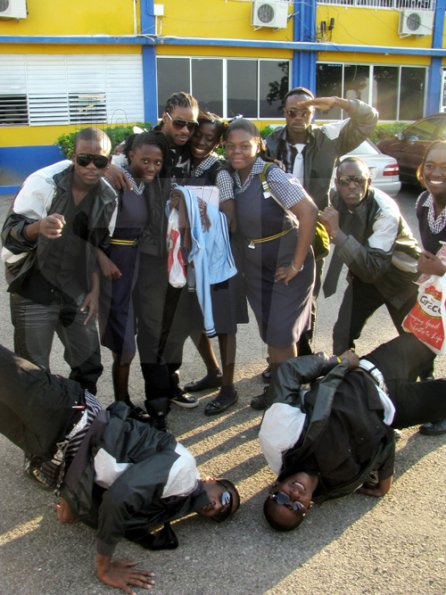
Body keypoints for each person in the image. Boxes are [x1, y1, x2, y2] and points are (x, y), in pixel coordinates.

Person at [0, 343, 240, 592]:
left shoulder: (164, 507)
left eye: (222, 514)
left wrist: (71, 499)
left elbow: (100, 482)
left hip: (52, 441)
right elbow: (119, 497)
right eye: (225, 497)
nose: (219, 507)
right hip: (68, 411)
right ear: (213, 479)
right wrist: (105, 565)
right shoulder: (183, 471)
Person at [259, 332, 442, 532]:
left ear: (273, 488)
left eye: (282, 498)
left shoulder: (281, 441)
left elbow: (288, 372)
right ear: (308, 507)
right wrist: (385, 477)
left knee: (434, 327)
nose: (293, 496)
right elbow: (382, 440)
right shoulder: (341, 484)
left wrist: (338, 361)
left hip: (373, 372)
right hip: (397, 410)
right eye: (295, 507)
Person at [1, 127, 118, 395]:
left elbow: (97, 247)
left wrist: (94, 288)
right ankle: (42, 430)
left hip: (75, 288)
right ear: (72, 156)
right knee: (32, 371)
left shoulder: (108, 196)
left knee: (88, 363)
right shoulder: (45, 182)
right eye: (84, 159)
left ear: (109, 162)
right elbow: (10, 234)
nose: (91, 167)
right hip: (34, 285)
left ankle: (81, 421)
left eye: (100, 161)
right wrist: (38, 227)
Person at [264, 87, 378, 357]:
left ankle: (303, 357)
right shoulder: (270, 143)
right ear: (284, 114)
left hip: (314, 230)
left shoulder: (329, 139)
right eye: (293, 112)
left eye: (306, 111)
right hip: (279, 229)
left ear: (313, 113)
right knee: (277, 294)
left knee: (308, 296)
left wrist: (339, 102)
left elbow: (369, 119)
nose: (299, 117)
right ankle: (280, 356)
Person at [224, 118, 317, 410]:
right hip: (255, 267)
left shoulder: (271, 175)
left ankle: (288, 399)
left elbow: (309, 212)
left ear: (259, 145)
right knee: (270, 330)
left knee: (280, 331)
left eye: (244, 145)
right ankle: (280, 389)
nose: (236, 151)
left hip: (286, 265)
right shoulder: (232, 176)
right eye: (230, 146)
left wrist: (297, 265)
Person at [169, 112, 248, 415]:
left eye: (210, 138)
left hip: (217, 259)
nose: (202, 142)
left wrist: (202, 211)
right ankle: (213, 371)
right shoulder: (179, 163)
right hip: (187, 258)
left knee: (225, 324)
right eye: (198, 135)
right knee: (192, 319)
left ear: (218, 142)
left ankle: (228, 387)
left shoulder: (220, 173)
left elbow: (230, 219)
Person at [135, 92, 201, 425]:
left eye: (192, 124)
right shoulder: (147, 144)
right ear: (165, 116)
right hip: (151, 256)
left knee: (176, 325)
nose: (187, 130)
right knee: (151, 329)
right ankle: (157, 401)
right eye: (180, 123)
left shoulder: (190, 148)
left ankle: (170, 384)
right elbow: (125, 163)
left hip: (181, 254)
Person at [98, 131, 171, 422]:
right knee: (124, 342)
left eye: (157, 162)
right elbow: (87, 222)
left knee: (141, 333)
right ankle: (121, 403)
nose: (152, 167)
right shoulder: (114, 178)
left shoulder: (144, 184)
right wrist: (100, 257)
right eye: (145, 160)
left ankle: (130, 401)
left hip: (140, 264)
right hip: (116, 267)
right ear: (130, 156)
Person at [320, 156, 420, 356]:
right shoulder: (334, 196)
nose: (351, 186)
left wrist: (338, 233)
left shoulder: (384, 211)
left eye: (358, 179)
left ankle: (424, 380)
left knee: (413, 339)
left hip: (400, 279)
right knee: (343, 333)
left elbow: (373, 268)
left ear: (369, 182)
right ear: (337, 183)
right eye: (344, 181)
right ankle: (344, 379)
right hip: (364, 274)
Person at [413, 139, 446, 435]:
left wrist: (443, 268)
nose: (437, 172)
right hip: (435, 287)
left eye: (445, 167)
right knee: (427, 342)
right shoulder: (423, 201)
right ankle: (432, 403)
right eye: (432, 165)